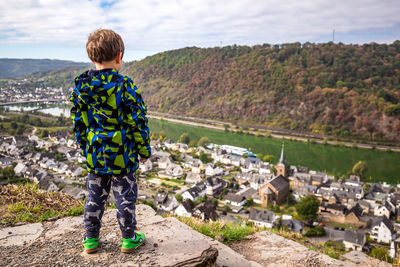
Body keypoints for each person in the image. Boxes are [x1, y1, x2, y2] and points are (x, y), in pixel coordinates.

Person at [70, 29, 151, 254]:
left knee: (94, 197)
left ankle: (90, 240)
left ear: (91, 58)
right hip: (122, 155)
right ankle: (128, 239)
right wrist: (144, 150)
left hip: (96, 154)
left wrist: (86, 146)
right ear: (119, 56)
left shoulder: (82, 88)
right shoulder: (125, 86)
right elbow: (138, 121)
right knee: (125, 197)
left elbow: (79, 123)